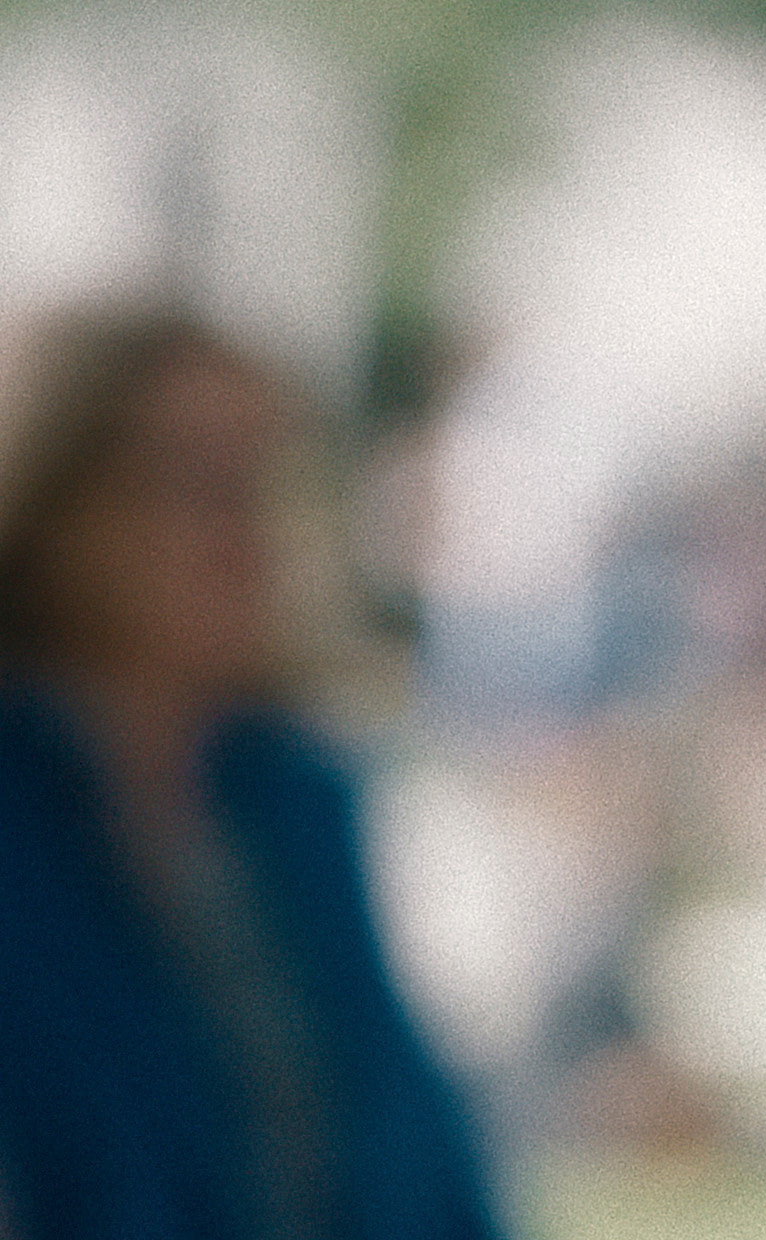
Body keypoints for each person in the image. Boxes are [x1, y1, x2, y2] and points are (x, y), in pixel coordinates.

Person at [0, 310, 501, 1240]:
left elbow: (416, 1156)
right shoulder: (23, 819)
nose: (242, 532)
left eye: (264, 480)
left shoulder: (293, 801)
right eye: (191, 481)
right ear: (62, 498)